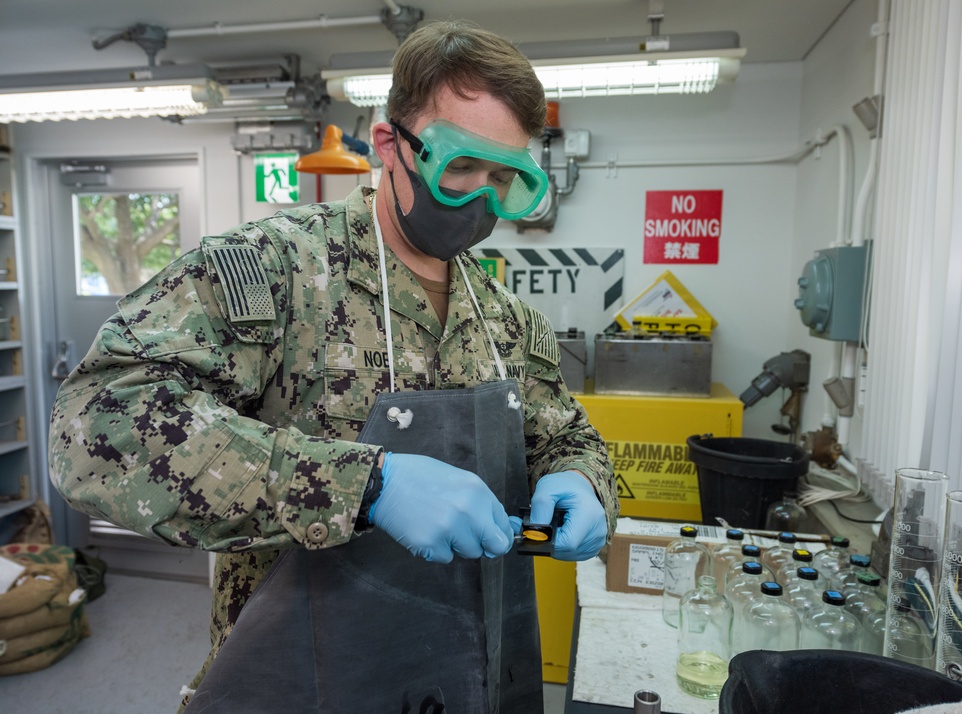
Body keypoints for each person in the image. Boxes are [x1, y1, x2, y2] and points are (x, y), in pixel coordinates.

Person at [48, 19, 618, 713]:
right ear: (389, 145)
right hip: (300, 684)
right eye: (460, 167)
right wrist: (364, 486)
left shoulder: (506, 321)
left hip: (468, 682)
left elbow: (567, 438)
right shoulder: (276, 274)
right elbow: (95, 425)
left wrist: (581, 480)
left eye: (504, 178)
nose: (479, 198)